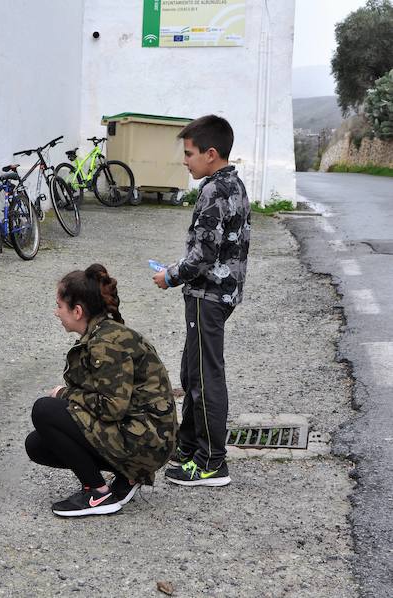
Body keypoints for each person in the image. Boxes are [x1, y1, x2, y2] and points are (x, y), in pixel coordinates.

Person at [25, 264, 177, 517]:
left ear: (77, 310)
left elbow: (111, 407)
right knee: (38, 445)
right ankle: (127, 476)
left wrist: (64, 394)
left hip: (147, 442)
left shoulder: (106, 344)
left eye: (59, 306)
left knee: (45, 410)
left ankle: (97, 493)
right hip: (141, 436)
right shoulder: (101, 334)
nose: (56, 312)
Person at [152, 114, 251, 487]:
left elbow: (203, 255)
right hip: (219, 293)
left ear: (211, 154)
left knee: (206, 377)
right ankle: (189, 447)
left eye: (190, 153)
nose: (185, 160)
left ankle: (211, 462)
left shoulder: (213, 191)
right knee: (192, 372)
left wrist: (170, 275)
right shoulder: (234, 185)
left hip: (207, 295)